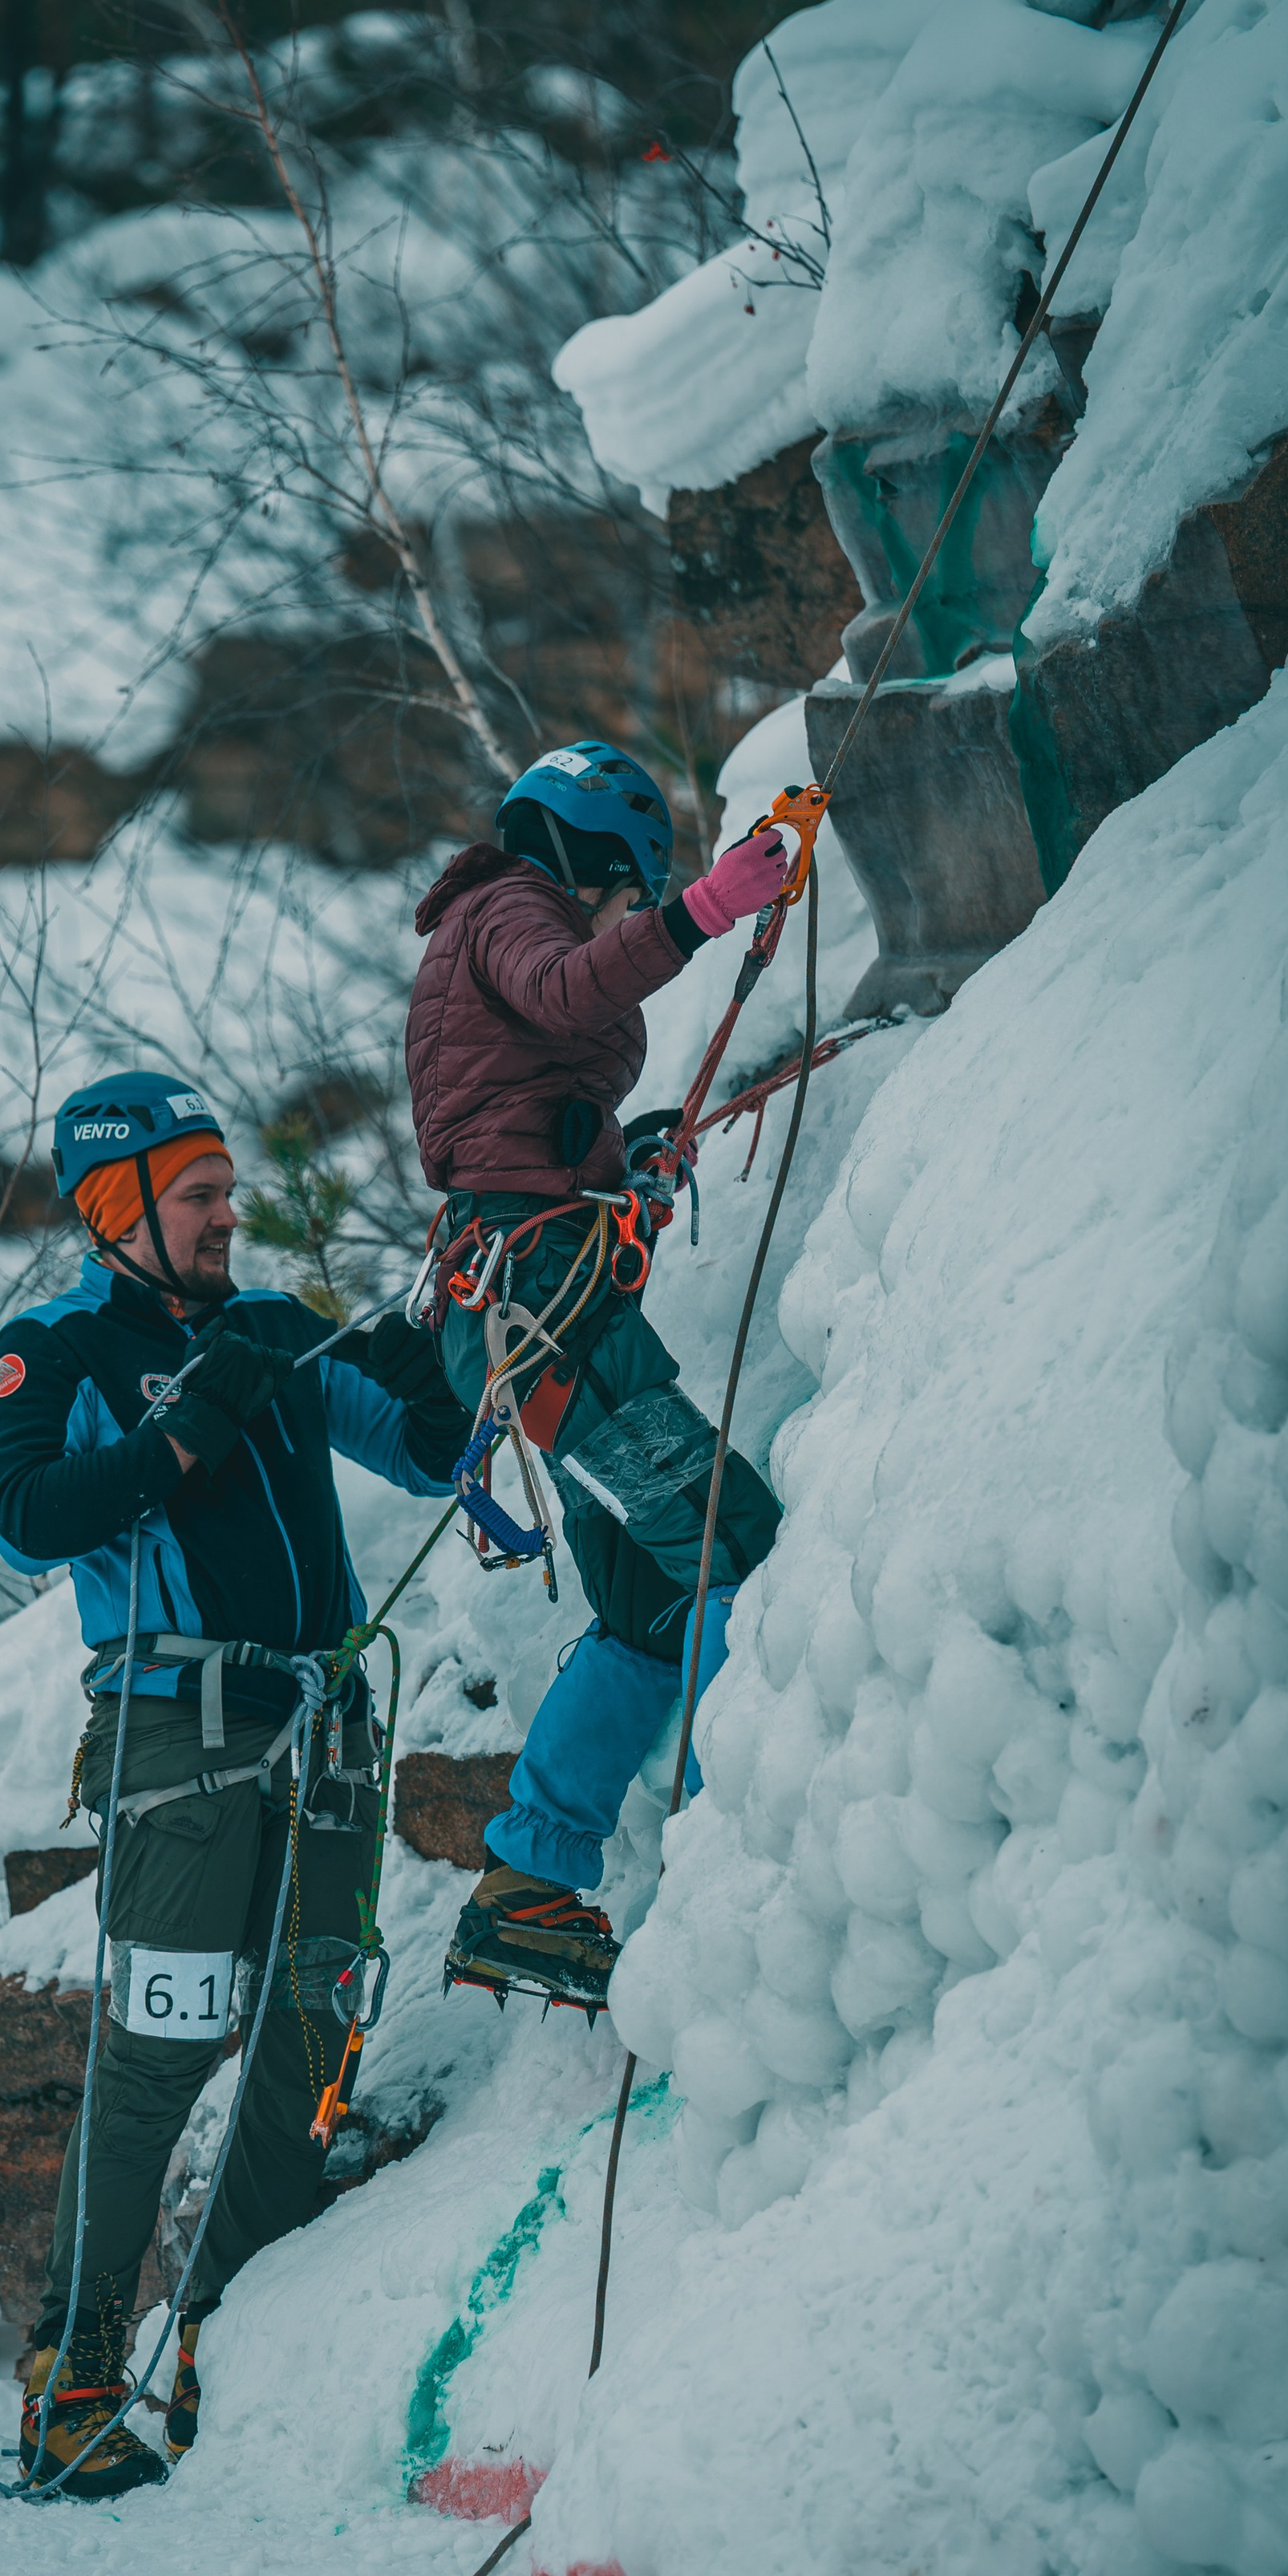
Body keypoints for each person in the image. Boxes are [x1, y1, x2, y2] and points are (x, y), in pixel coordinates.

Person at [0, 1072, 470, 2497]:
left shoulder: (266, 1327)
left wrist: (459, 1308)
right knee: (165, 2045)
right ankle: (72, 2382)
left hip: (322, 1727)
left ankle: (223, 2337)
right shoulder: (59, 1346)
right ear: (120, 1208)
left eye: (229, 1193)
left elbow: (431, 1441)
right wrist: (182, 1433)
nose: (228, 1216)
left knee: (315, 2029)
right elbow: (26, 1515)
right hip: (178, 1735)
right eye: (200, 1197)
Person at [405, 739, 791, 2016]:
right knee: (738, 1549)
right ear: (588, 851)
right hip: (544, 1308)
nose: (622, 912)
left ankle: (528, 1884)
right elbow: (568, 990)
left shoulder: (478, 927)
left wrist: (616, 1167)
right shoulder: (509, 905)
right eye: (622, 886)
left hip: (531, 1297)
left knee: (647, 1610)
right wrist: (705, 912)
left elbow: (523, 1112)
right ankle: (749, 1867)